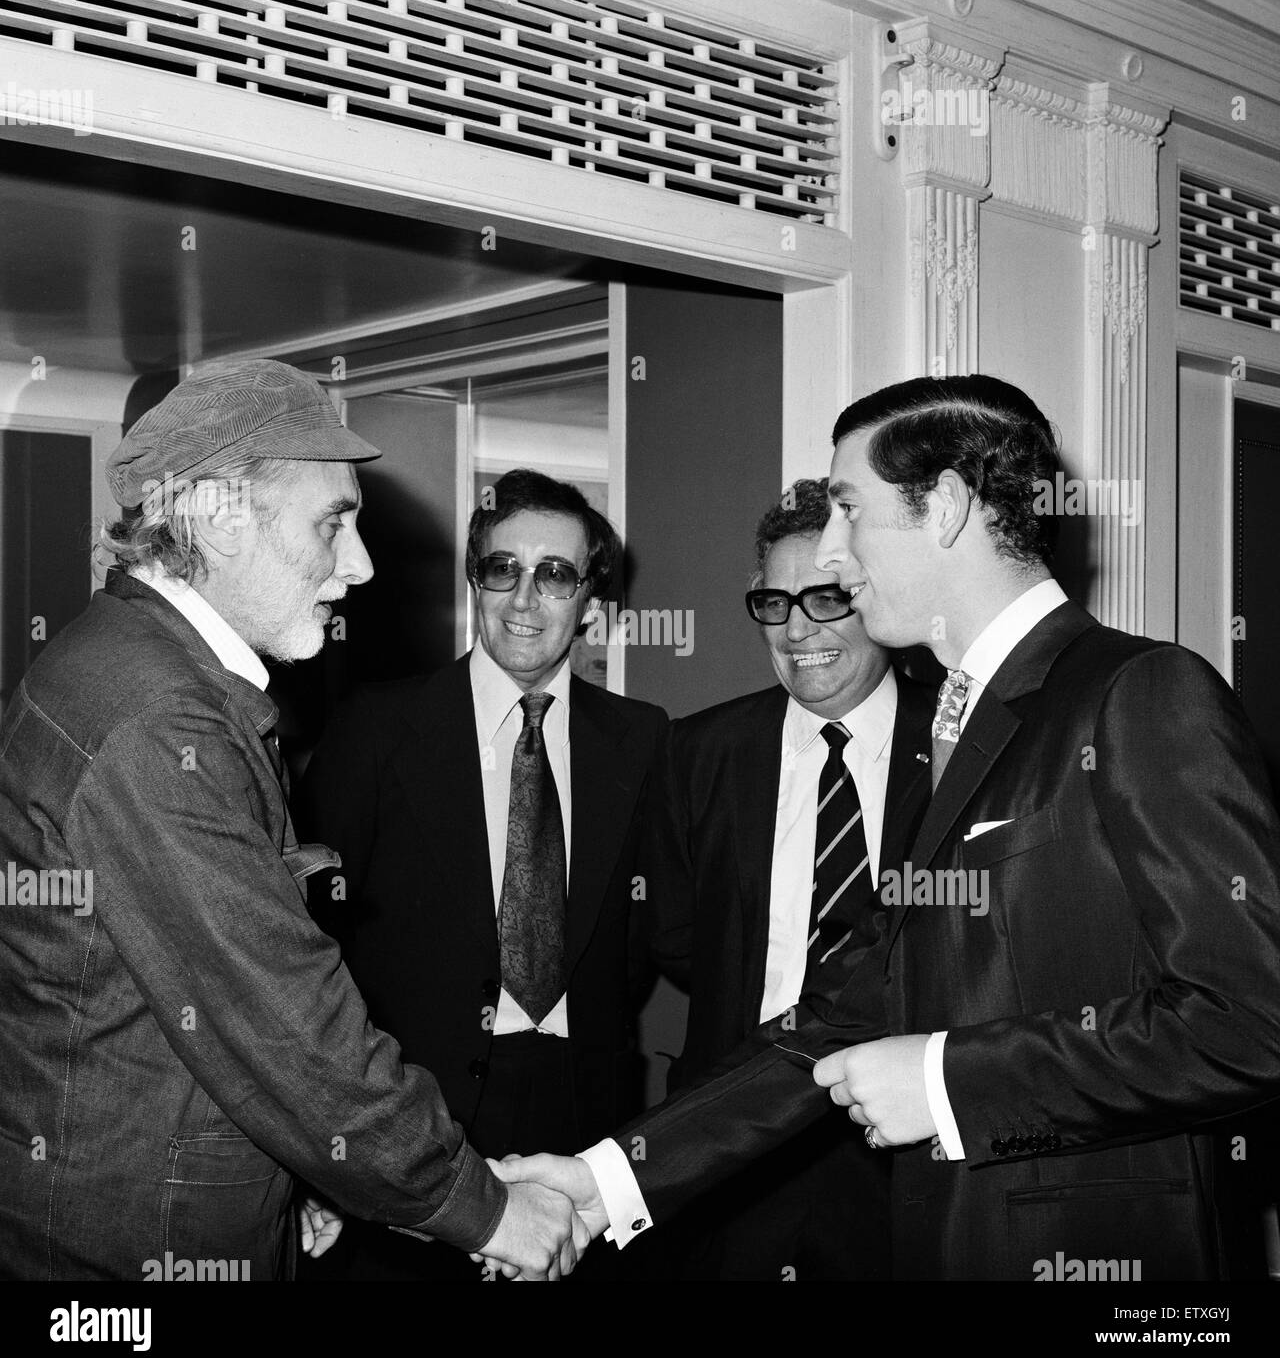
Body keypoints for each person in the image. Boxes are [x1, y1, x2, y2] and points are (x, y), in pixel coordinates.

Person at [493, 374, 1280, 1281]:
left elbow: (1248, 1022)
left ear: (944, 507)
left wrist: (949, 1080)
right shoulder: (958, 722)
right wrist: (604, 1183)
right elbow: (840, 1012)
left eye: (849, 510)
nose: (831, 552)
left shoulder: (1141, 693)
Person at [0, 360, 582, 1281]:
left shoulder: (141, 672)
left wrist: (293, 1173)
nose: (361, 563)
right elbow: (281, 1019)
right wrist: (483, 1209)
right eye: (332, 523)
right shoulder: (160, 721)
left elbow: (195, 1013)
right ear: (222, 517)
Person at [296, 468, 667, 1279]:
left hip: (584, 1110)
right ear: (475, 581)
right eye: (502, 569)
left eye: (556, 574)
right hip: (410, 1108)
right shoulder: (377, 728)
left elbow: (645, 933)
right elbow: (310, 941)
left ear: (591, 601)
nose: (524, 599)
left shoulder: (642, 741)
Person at [647, 479, 934, 1279]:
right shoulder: (700, 751)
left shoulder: (959, 744)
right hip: (733, 1135)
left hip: (898, 1136)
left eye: (826, 598)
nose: (798, 629)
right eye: (776, 603)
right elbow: (674, 935)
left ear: (873, 597)